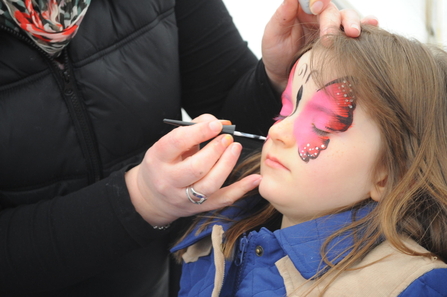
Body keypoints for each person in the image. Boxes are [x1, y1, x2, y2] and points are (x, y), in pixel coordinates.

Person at [0, 0, 377, 295]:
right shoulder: (211, 253)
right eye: (287, 109)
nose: (278, 132)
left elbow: (231, 106)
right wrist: (137, 201)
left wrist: (274, 81)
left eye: (310, 113)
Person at [171, 25, 447, 296]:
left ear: (388, 173)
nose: (276, 130)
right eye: (285, 109)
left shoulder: (411, 288)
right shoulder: (217, 233)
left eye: (322, 122)